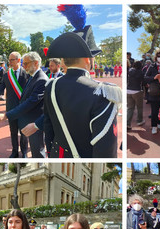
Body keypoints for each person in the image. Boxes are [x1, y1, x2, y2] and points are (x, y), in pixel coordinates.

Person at [43, 13, 121, 158]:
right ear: (87, 59)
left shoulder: (51, 86)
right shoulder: (102, 93)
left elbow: (48, 130)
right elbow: (106, 149)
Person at [0, 51, 29, 158]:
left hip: (24, 109)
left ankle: (24, 151)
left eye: (12, 60)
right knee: (13, 131)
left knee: (24, 132)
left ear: (19, 60)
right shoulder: (7, 75)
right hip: (11, 108)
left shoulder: (26, 74)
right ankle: (15, 151)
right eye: (9, 60)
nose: (10, 62)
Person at [127, 61, 145, 129]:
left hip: (128, 91)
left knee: (130, 108)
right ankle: (139, 121)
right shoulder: (141, 72)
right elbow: (143, 81)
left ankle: (127, 123)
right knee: (139, 107)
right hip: (137, 91)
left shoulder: (129, 71)